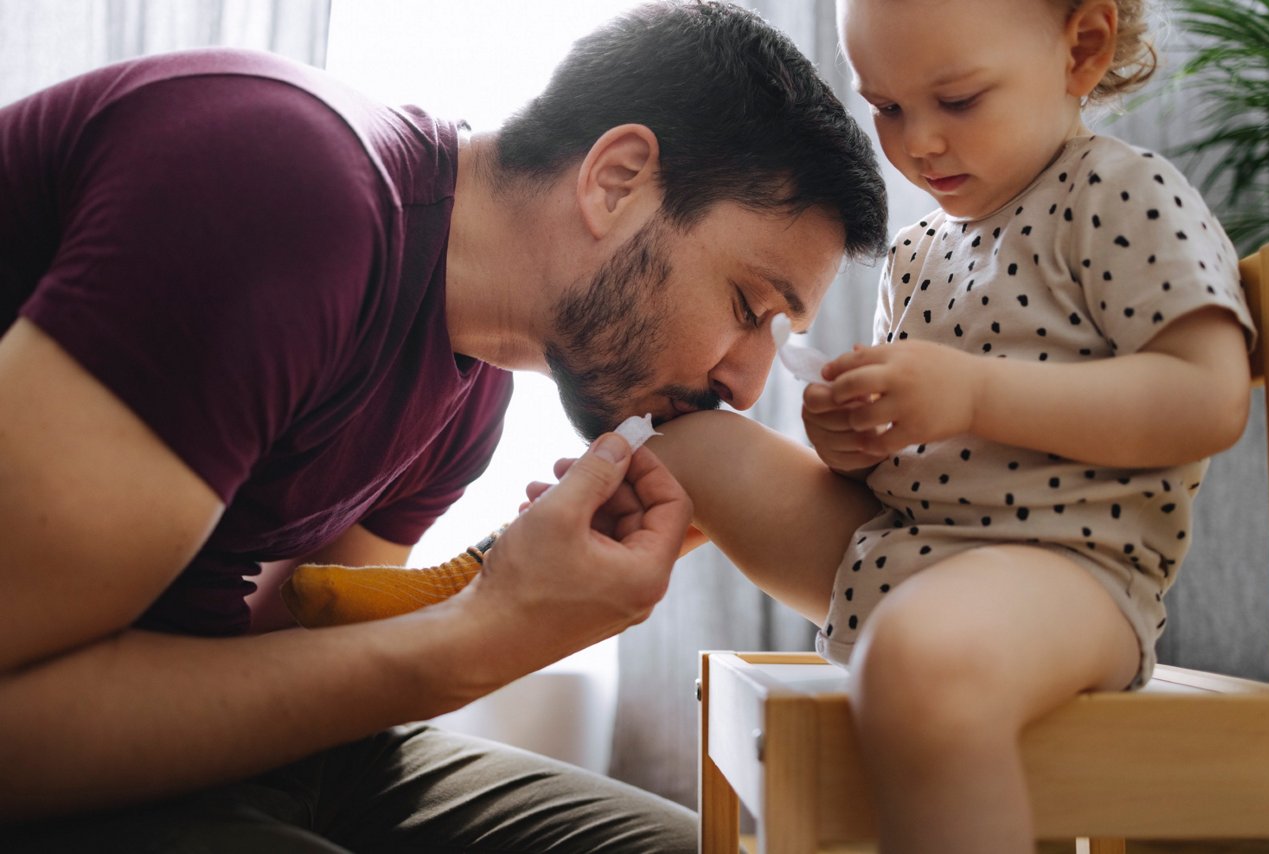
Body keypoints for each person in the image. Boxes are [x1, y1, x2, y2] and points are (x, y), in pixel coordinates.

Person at [0, 1, 887, 850]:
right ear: (616, 181)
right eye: (746, 305)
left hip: (208, 747)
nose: (745, 383)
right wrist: (488, 634)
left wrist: (499, 580)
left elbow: (299, 653)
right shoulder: (287, 189)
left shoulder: (469, 396)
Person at [644, 0, 1256, 852]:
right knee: (684, 447)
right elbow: (914, 458)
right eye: (887, 107)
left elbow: (1207, 398)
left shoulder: (1121, 192)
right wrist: (851, 437)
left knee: (918, 664)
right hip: (904, 549)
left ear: (1081, 49)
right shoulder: (918, 251)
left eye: (958, 100)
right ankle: (527, 574)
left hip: (1068, 572)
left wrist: (970, 395)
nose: (918, 142)